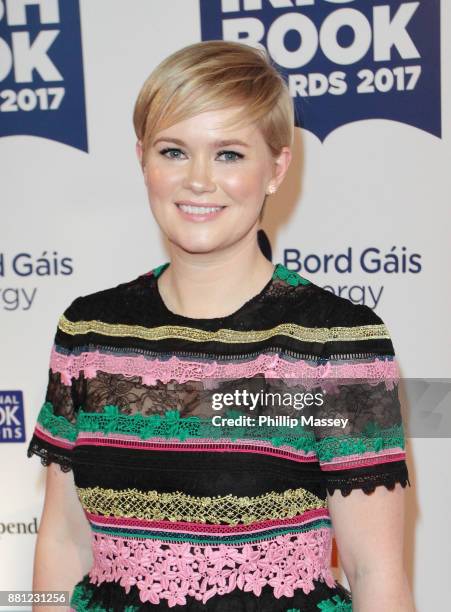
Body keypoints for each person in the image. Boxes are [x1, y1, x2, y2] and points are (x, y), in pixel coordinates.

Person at [27, 40, 415, 611]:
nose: (199, 180)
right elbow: (63, 542)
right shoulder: (89, 332)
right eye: (174, 151)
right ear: (142, 159)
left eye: (229, 153)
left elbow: (376, 573)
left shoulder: (334, 345)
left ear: (277, 167)